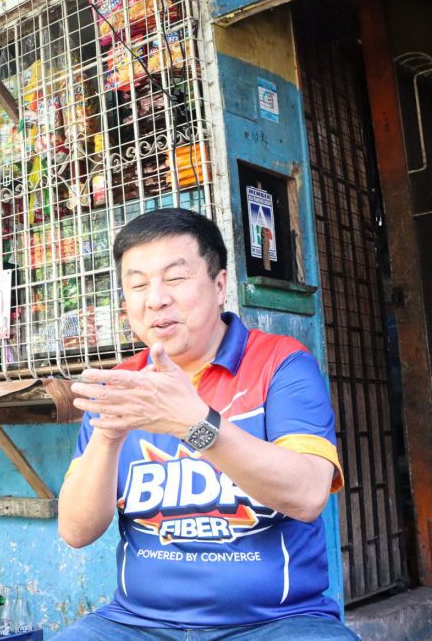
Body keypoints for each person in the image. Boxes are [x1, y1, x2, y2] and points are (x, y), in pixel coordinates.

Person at [56, 209, 358, 639]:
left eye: (175, 278)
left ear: (219, 287)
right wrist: (107, 433)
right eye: (137, 284)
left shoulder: (280, 364)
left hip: (276, 623)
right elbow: (76, 531)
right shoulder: (120, 385)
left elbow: (309, 494)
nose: (155, 299)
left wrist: (195, 424)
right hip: (138, 624)